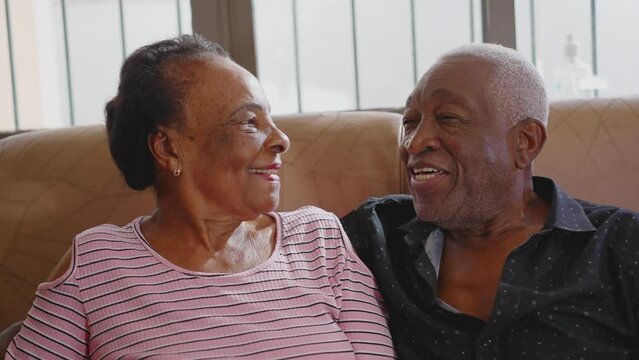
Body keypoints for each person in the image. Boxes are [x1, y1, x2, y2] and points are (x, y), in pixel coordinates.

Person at [4, 34, 394, 359]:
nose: (281, 139)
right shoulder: (97, 264)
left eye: (271, 118)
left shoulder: (320, 239)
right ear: (169, 148)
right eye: (249, 121)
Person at [342, 43, 639, 359]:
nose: (414, 143)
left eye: (448, 117)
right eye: (411, 122)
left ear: (525, 142)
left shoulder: (619, 244)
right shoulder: (374, 236)